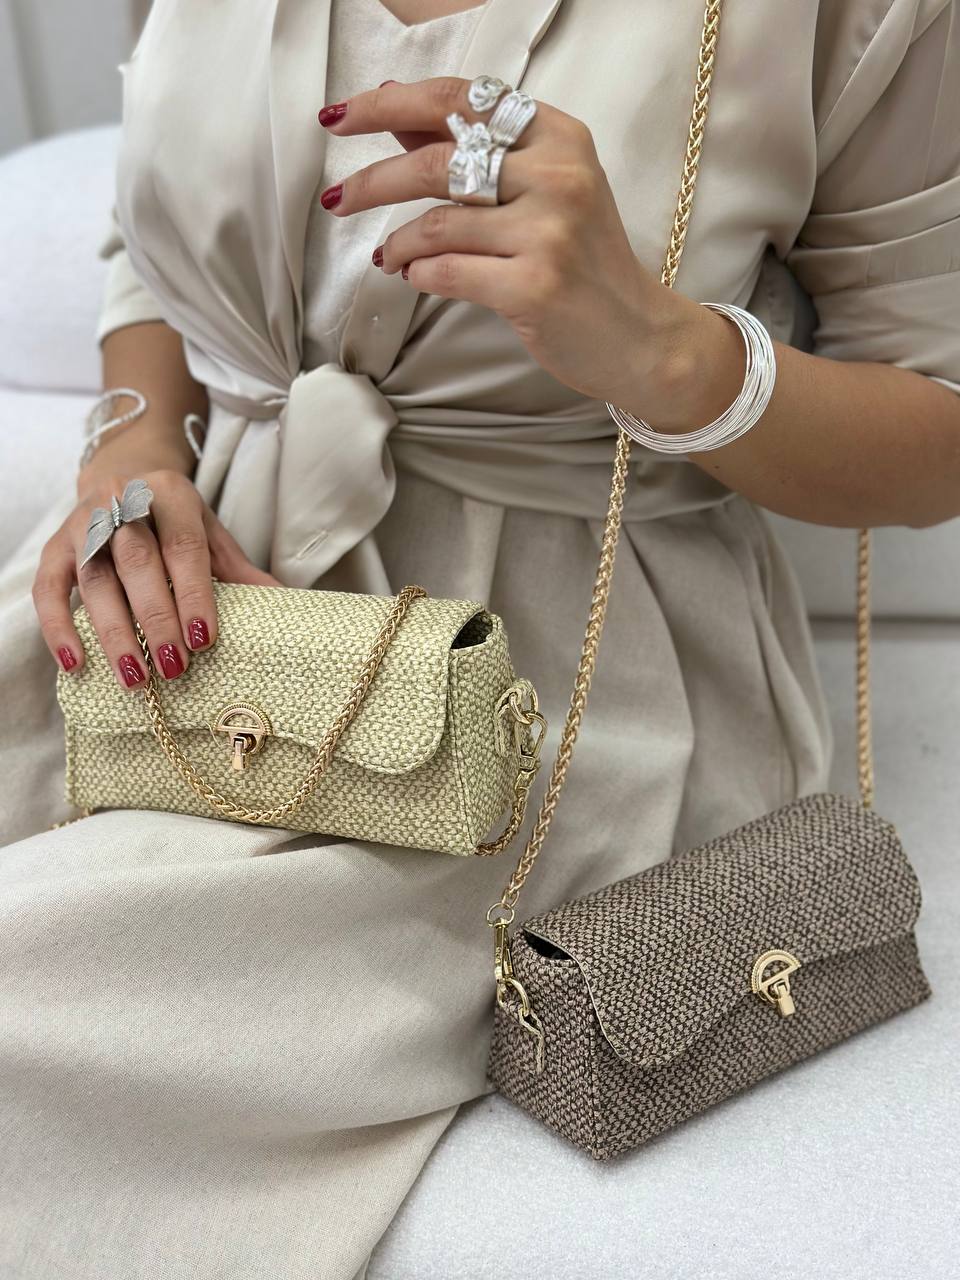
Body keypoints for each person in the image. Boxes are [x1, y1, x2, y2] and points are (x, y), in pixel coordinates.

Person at [1, 0, 958, 1275]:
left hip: (561, 694)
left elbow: (937, 428)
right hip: (184, 605)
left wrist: (661, 349)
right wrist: (129, 452)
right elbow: (152, 236)